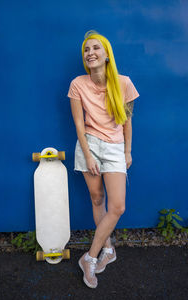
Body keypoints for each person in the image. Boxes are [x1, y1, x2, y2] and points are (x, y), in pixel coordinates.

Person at [67, 30, 139, 288]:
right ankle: (108, 249)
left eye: (96, 48)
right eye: (86, 50)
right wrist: (87, 155)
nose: (90, 53)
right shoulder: (77, 84)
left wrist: (127, 151)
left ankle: (90, 257)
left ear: (107, 55)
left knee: (117, 206)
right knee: (97, 198)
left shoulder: (124, 83)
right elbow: (78, 122)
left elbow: (127, 121)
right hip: (89, 144)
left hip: (115, 147)